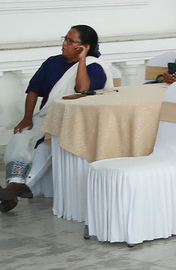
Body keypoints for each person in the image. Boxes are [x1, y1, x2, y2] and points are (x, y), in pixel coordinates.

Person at [3, 25, 107, 208]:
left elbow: (83, 89)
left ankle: (13, 192)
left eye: (70, 41)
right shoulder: (52, 62)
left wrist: (82, 60)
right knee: (21, 136)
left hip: (72, 120)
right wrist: (27, 117)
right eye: (65, 39)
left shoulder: (95, 67)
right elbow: (33, 90)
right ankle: (14, 183)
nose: (64, 44)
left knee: (44, 146)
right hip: (46, 115)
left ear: (85, 46)